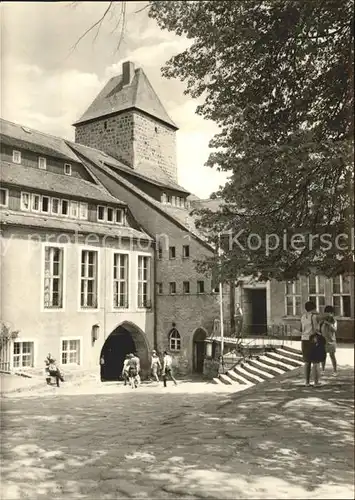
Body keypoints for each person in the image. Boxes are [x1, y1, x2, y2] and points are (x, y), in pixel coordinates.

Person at [300, 301, 324, 387]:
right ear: (314, 308)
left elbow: (301, 329)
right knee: (316, 362)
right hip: (312, 340)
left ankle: (307, 382)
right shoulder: (314, 317)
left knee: (307, 362)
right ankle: (316, 382)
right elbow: (316, 329)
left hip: (304, 340)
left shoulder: (303, 317)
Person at [320, 305, 338, 375]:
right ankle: (323, 370)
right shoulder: (322, 321)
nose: (327, 314)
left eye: (329, 313)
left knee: (332, 356)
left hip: (331, 341)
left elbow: (335, 329)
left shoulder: (334, 321)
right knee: (323, 356)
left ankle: (335, 371)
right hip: (323, 341)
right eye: (326, 313)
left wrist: (328, 324)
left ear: (332, 313)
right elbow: (319, 330)